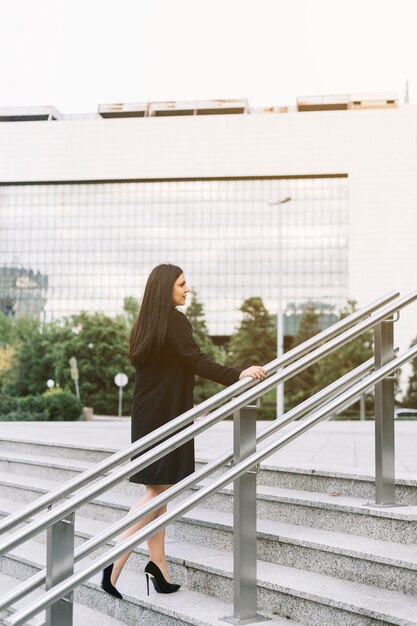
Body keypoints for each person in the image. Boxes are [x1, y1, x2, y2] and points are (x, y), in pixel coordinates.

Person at [101, 264, 266, 598]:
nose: (187, 289)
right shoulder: (174, 321)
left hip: (149, 414)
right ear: (166, 289)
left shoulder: (146, 324)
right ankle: (112, 562)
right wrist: (239, 375)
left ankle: (158, 567)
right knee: (156, 494)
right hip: (165, 417)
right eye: (181, 284)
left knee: (160, 490)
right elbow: (197, 361)